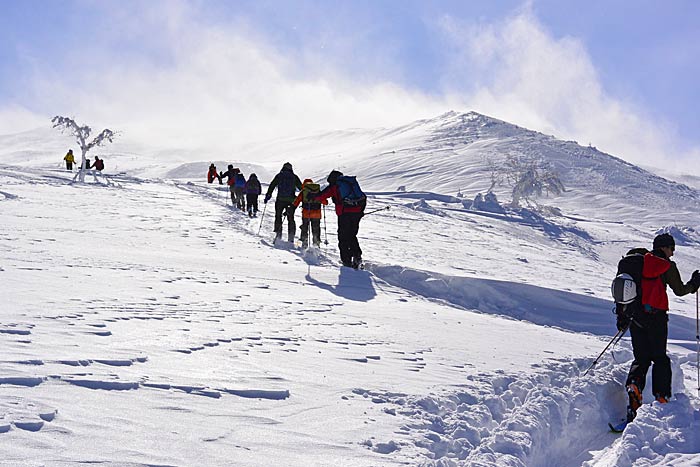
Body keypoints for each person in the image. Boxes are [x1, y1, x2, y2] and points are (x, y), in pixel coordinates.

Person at [622, 233, 700, 422]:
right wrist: (695, 283)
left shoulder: (638, 263)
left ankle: (634, 385)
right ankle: (662, 397)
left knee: (641, 358)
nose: (672, 253)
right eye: (672, 249)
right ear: (665, 248)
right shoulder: (666, 265)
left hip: (636, 317)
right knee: (660, 358)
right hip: (657, 318)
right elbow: (680, 290)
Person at [313, 170, 366, 268]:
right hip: (357, 213)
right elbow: (363, 197)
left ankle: (346, 260)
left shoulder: (335, 185)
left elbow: (321, 196)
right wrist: (360, 212)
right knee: (352, 235)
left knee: (343, 237)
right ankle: (357, 255)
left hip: (344, 213)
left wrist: (314, 196)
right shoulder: (350, 183)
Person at [264, 162, 302, 242]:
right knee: (290, 218)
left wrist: (268, 195)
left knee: (278, 217)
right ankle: (291, 238)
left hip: (280, 200)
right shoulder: (294, 177)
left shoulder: (279, 176)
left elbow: (272, 185)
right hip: (291, 201)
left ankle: (278, 236)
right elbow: (301, 188)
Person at [292, 179, 328, 248]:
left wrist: (292, 208)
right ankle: (316, 244)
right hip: (316, 214)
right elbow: (325, 202)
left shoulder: (304, 191)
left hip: (306, 213)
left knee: (305, 227)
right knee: (316, 229)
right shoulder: (317, 191)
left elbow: (297, 201)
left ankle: (304, 243)